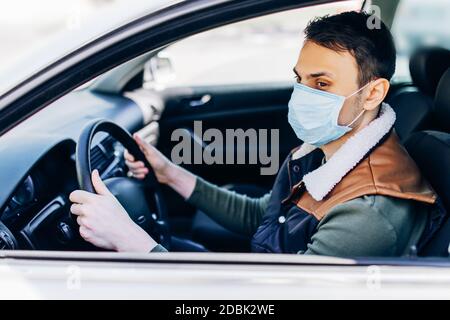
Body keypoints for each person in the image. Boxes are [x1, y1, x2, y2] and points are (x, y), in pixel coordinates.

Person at [69, 11, 444, 257]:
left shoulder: (368, 214)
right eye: (300, 79)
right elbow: (265, 218)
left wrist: (129, 240)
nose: (304, 94)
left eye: (322, 83)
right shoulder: (329, 145)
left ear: (373, 93)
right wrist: (171, 174)